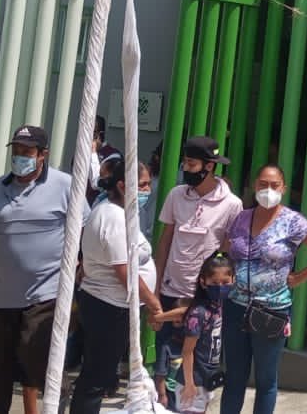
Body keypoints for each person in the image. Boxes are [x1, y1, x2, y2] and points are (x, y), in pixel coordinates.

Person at [0, 125, 73, 414]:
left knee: (35, 350)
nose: (19, 156)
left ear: (43, 155)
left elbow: (85, 230)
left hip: (46, 293)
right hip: (5, 294)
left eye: (26, 151)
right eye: (16, 150)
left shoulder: (64, 184)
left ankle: (61, 393)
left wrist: (80, 268)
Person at [220, 165, 307, 414]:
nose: (268, 190)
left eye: (274, 185)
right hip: (235, 306)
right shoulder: (242, 217)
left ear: (283, 188)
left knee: (265, 380)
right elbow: (227, 249)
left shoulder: (292, 222)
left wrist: (300, 277)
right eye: (263, 184)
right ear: (255, 186)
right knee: (234, 377)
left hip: (271, 310)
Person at [71, 151, 174, 413]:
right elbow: (124, 271)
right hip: (108, 308)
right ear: (121, 186)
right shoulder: (114, 218)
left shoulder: (115, 211)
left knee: (98, 374)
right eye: (142, 185)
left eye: (148, 184)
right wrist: (153, 303)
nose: (147, 190)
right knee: (96, 377)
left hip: (109, 305)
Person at [153, 136, 241, 409]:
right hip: (170, 291)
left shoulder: (231, 204)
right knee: (165, 366)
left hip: (202, 299)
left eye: (192, 163)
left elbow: (224, 255)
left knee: (195, 368)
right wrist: (155, 289)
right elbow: (166, 240)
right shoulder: (176, 195)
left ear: (209, 166)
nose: (186, 168)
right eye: (186, 162)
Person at [174, 255, 234, 414]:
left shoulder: (219, 306)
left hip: (208, 379)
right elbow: (187, 351)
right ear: (203, 282)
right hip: (193, 381)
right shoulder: (199, 313)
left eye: (225, 282)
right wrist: (189, 384)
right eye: (214, 283)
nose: (220, 287)